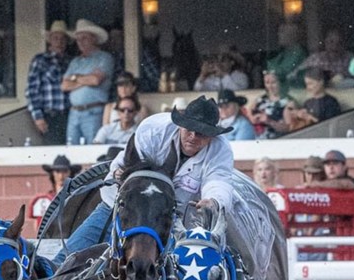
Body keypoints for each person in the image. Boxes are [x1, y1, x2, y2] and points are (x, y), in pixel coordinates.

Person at [54, 95, 233, 264]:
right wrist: (121, 174)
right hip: (121, 206)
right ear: (180, 125)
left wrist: (214, 201)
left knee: (172, 269)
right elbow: (132, 165)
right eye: (189, 130)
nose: (193, 137)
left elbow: (218, 180)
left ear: (212, 136)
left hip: (169, 219)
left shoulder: (220, 150)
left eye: (201, 133)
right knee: (68, 258)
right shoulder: (153, 130)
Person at [63, 19, 116, 146]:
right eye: (78, 39)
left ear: (94, 39)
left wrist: (74, 78)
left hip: (93, 111)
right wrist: (86, 79)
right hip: (74, 112)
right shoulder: (75, 61)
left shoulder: (104, 58)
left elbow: (96, 80)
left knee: (93, 149)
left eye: (84, 38)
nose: (80, 42)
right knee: (71, 151)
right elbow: (64, 85)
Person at [26, 20, 72, 146]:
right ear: (50, 40)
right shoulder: (40, 60)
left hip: (70, 115)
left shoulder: (71, 61)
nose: (59, 42)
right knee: (53, 153)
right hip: (49, 116)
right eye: (56, 38)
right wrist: (38, 117)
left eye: (62, 39)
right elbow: (31, 91)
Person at [265, 23, 307, 93]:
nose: (278, 35)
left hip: (296, 92)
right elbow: (270, 66)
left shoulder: (298, 52)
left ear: (292, 35)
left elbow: (282, 72)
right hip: (284, 91)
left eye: (282, 32)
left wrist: (273, 71)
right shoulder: (284, 52)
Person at [251, 69, 291, 139]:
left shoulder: (288, 103)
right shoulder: (259, 99)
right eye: (267, 83)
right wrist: (253, 119)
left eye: (273, 82)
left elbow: (289, 128)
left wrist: (269, 121)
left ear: (281, 83)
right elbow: (250, 115)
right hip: (256, 139)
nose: (270, 86)